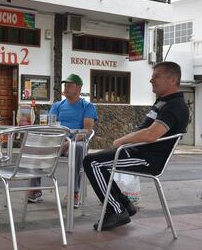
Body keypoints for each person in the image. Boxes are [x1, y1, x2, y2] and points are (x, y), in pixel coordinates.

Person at [83, 61, 189, 231]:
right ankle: (125, 204)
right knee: (95, 160)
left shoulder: (175, 106)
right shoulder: (163, 102)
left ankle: (116, 210)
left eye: (156, 76)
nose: (151, 80)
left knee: (93, 162)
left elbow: (151, 134)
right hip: (137, 152)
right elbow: (146, 130)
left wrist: (122, 140)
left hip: (148, 159)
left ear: (172, 80)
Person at [28, 73, 98, 206]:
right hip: (57, 140)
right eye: (65, 85)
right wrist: (55, 141)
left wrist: (68, 143)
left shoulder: (87, 107)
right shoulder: (57, 105)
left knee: (77, 148)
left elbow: (87, 131)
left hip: (76, 141)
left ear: (79, 88)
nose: (66, 88)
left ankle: (74, 192)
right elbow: (50, 126)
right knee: (35, 145)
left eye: (69, 85)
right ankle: (35, 189)